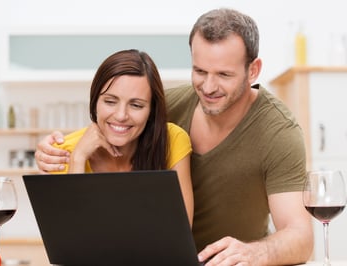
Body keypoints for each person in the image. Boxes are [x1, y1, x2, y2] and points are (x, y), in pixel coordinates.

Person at [34, 8, 314, 266]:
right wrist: (55, 148)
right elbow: (113, 125)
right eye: (200, 71)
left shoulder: (279, 132)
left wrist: (256, 252)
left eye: (224, 74)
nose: (208, 86)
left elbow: (301, 237)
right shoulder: (166, 106)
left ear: (252, 70)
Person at [43, 49, 194, 225]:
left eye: (136, 105)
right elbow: (65, 236)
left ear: (151, 111)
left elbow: (180, 230)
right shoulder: (63, 152)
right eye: (110, 101)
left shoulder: (172, 139)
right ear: (95, 102)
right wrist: (78, 159)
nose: (121, 115)